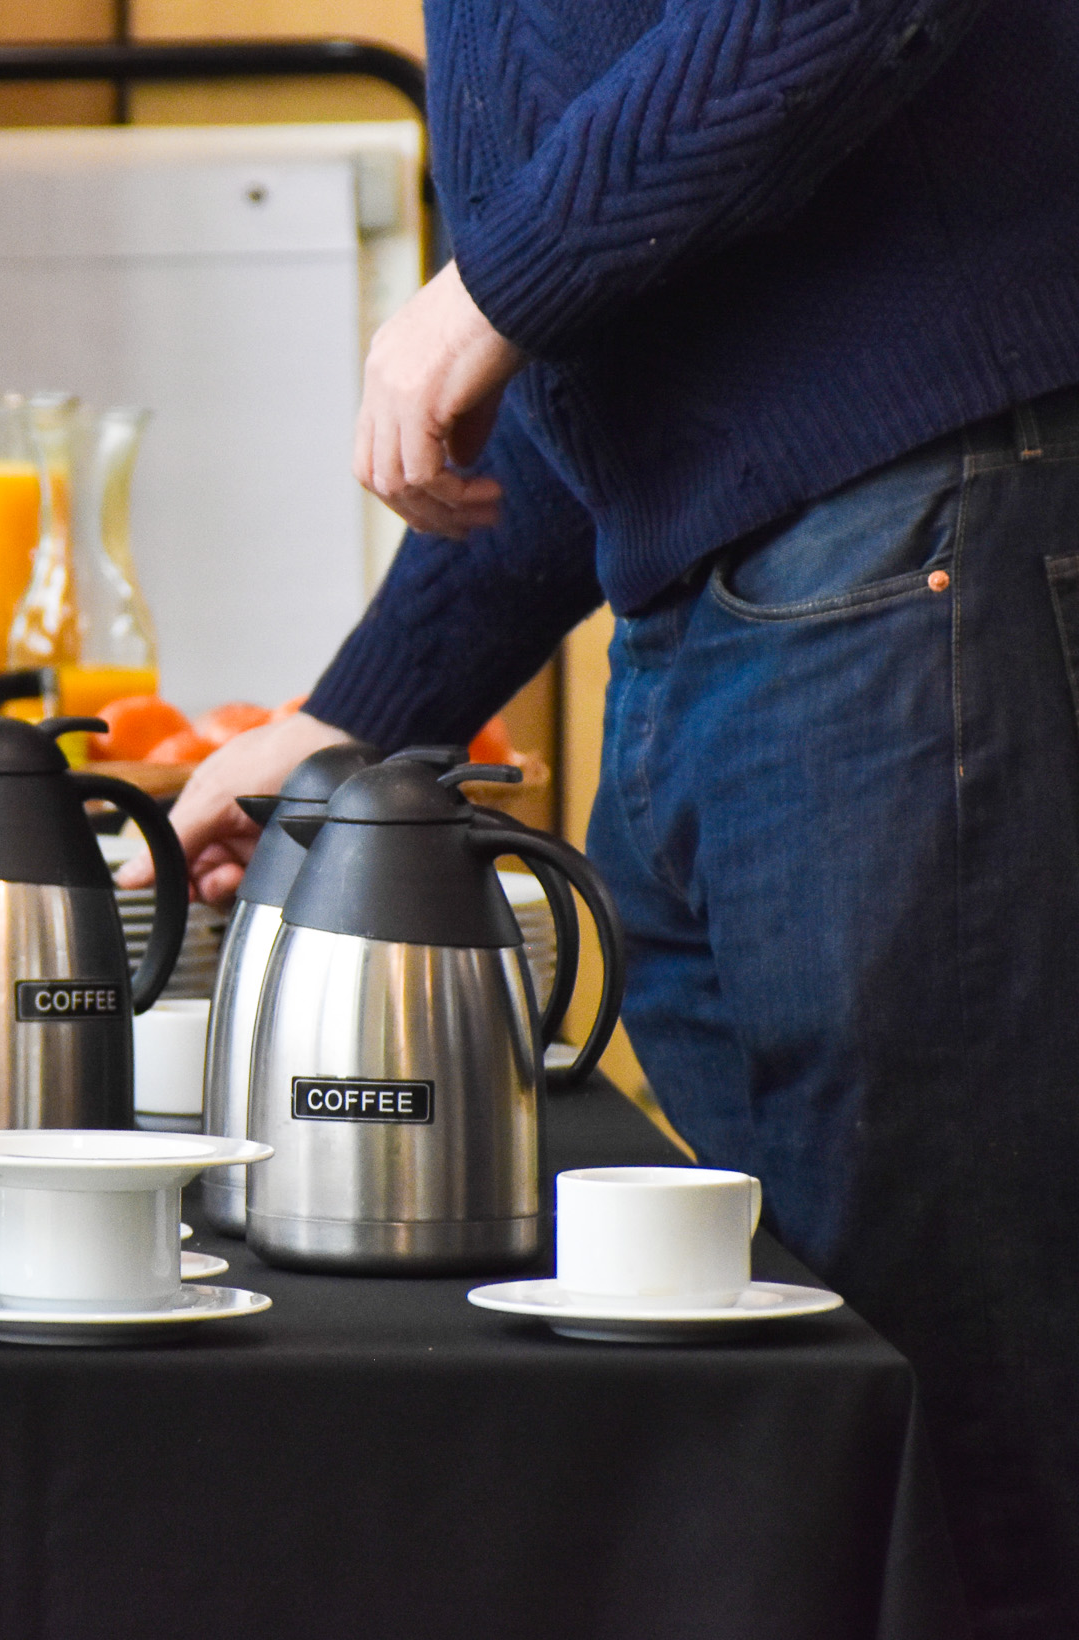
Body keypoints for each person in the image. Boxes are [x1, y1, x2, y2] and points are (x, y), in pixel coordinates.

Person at [125, 3, 1079, 1631]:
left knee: (949, 1410)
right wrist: (359, 714)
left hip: (893, 560)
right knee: (828, 1405)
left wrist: (494, 286)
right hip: (741, 611)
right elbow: (607, 345)